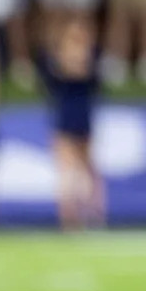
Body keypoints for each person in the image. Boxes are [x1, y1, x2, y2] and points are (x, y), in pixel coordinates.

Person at [40, 15, 103, 230]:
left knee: (87, 170)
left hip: (82, 120)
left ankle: (93, 214)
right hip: (65, 121)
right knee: (67, 171)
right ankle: (70, 217)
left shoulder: (89, 64)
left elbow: (95, 84)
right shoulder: (59, 65)